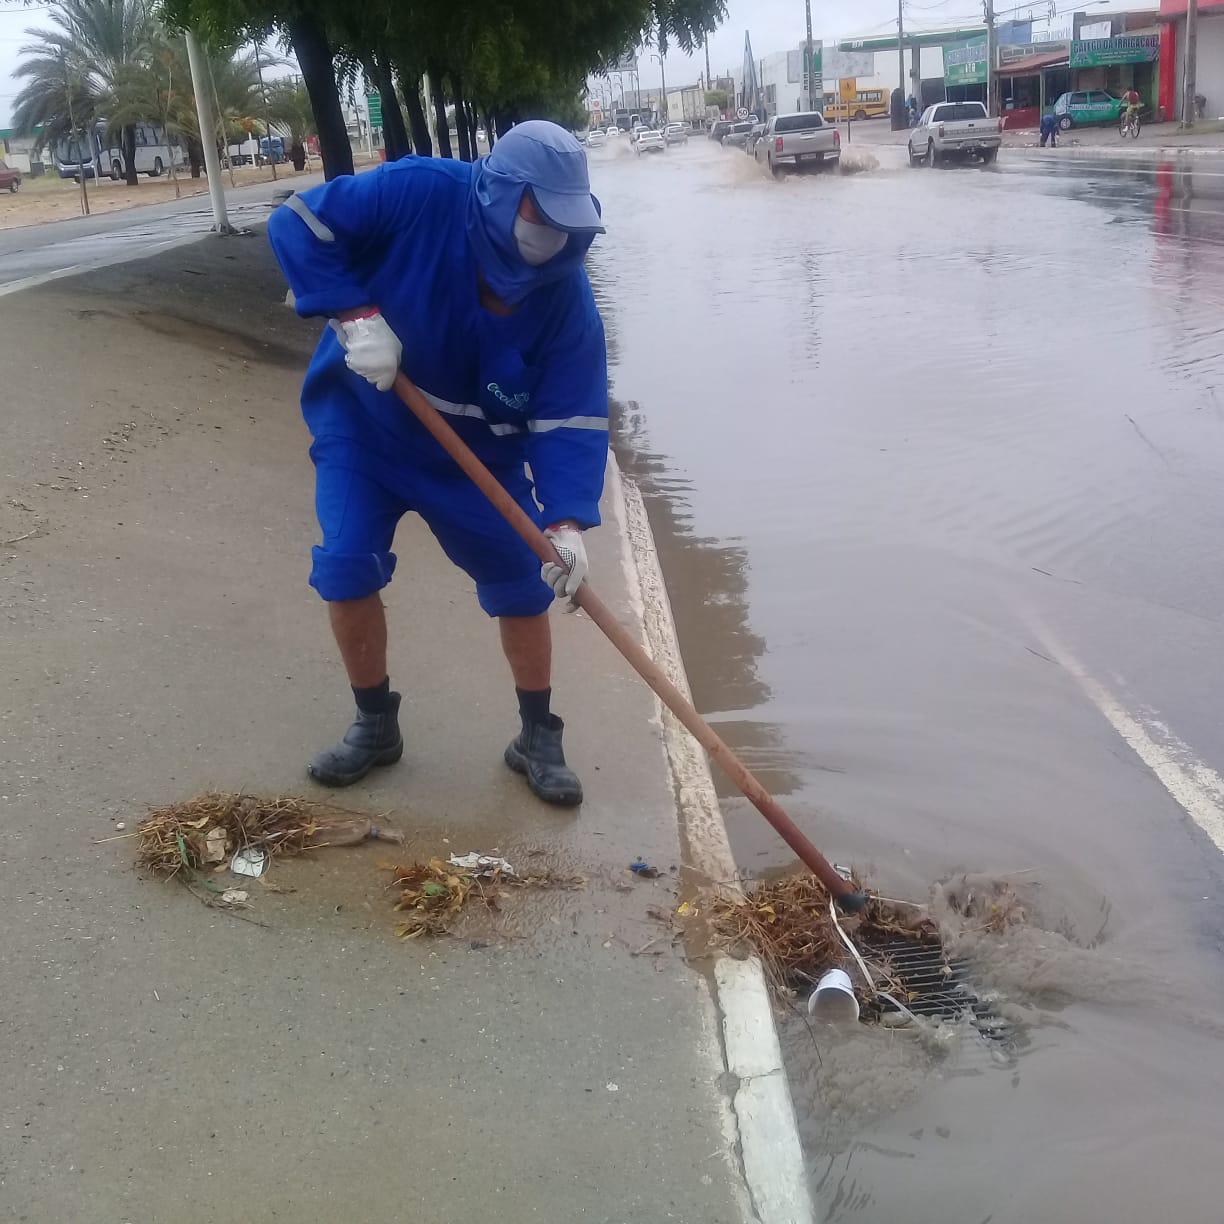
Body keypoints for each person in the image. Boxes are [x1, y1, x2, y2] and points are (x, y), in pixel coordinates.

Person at [266, 121, 608, 806]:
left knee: (524, 581)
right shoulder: (418, 193)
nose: (553, 239)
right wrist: (355, 315)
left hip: (477, 458)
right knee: (345, 565)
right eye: (541, 217)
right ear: (502, 194)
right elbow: (299, 222)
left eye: (569, 226)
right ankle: (374, 724)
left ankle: (537, 735)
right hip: (368, 426)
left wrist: (566, 522)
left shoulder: (565, 299)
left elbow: (570, 414)